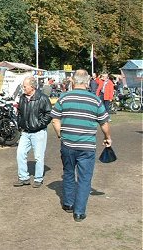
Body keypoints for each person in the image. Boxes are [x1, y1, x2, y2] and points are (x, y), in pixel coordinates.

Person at [50, 69, 111, 222]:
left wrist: (60, 134)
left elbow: (55, 120)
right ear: (87, 82)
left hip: (67, 144)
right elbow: (104, 123)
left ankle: (68, 203)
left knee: (69, 173)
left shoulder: (64, 97)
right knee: (84, 179)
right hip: (87, 146)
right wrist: (107, 138)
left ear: (73, 81)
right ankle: (79, 212)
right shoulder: (95, 100)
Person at [14, 76, 52, 188]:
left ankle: (38, 178)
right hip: (25, 132)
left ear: (32, 86)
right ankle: (23, 178)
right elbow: (20, 112)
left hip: (38, 132)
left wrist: (38, 125)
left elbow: (49, 114)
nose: (23, 88)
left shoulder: (42, 98)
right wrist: (20, 123)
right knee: (20, 153)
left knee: (39, 157)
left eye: (25, 86)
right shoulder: (22, 98)